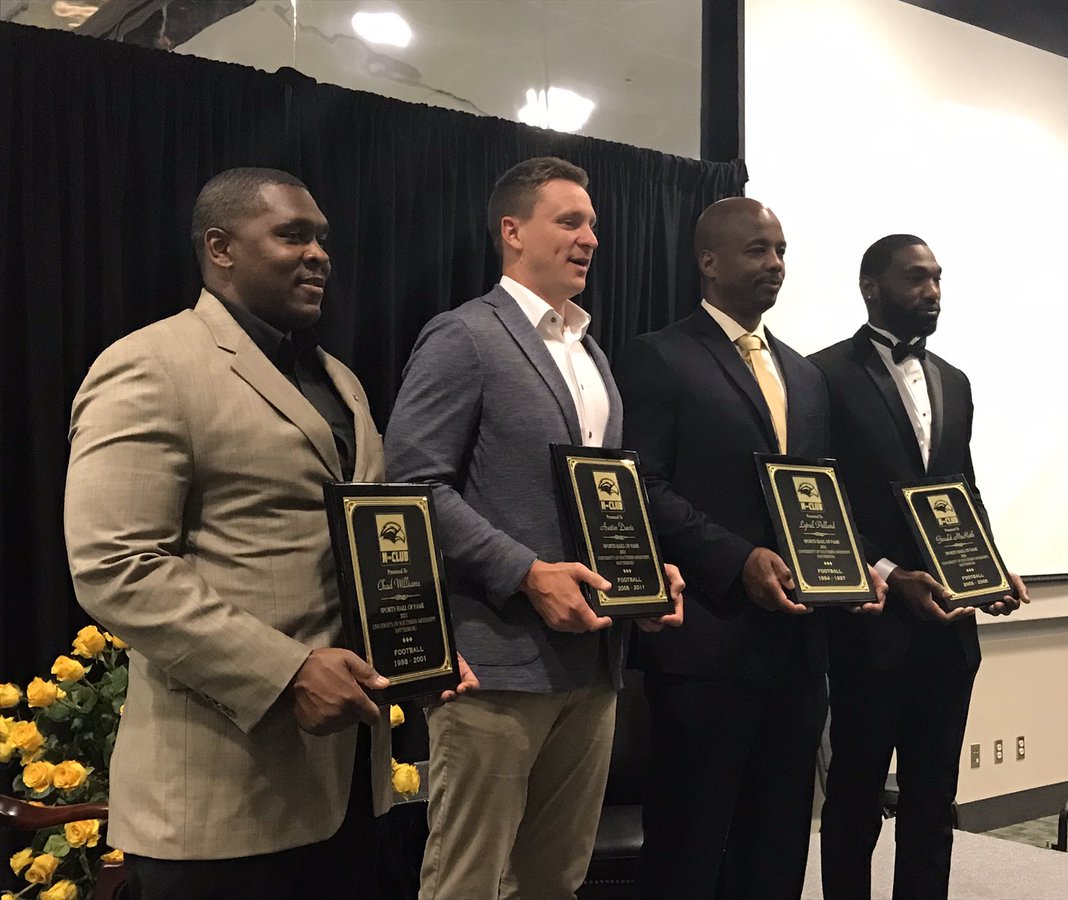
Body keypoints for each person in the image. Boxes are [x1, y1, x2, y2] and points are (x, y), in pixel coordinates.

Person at [63, 167, 474, 900]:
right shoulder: (148, 365)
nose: (318, 253)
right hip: (219, 804)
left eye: (321, 238)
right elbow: (115, 564)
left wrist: (423, 651)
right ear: (220, 247)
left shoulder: (340, 381)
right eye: (291, 235)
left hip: (350, 789)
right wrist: (284, 672)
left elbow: (371, 545)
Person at [384, 156, 683, 900]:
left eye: (593, 226)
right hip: (497, 665)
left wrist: (650, 571)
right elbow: (412, 483)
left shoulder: (591, 354)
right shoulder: (464, 336)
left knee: (556, 878)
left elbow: (604, 498)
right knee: (470, 880)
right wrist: (524, 571)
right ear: (512, 232)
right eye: (570, 221)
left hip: (594, 666)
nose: (589, 238)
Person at [613, 197, 884, 899]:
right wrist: (736, 559)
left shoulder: (803, 374)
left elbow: (818, 494)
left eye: (782, 250)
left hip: (797, 651)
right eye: (757, 250)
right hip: (708, 646)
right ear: (708, 262)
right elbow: (641, 483)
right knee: (690, 845)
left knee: (779, 841)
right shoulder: (659, 357)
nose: (775, 265)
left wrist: (851, 567)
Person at [810, 234, 1030, 900]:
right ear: (870, 287)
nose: (932, 291)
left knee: (935, 801)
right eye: (916, 279)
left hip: (948, 630)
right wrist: (882, 570)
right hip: (869, 623)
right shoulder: (820, 374)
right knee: (854, 797)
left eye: (937, 279)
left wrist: (989, 570)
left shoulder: (955, 381)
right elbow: (820, 499)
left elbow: (961, 489)